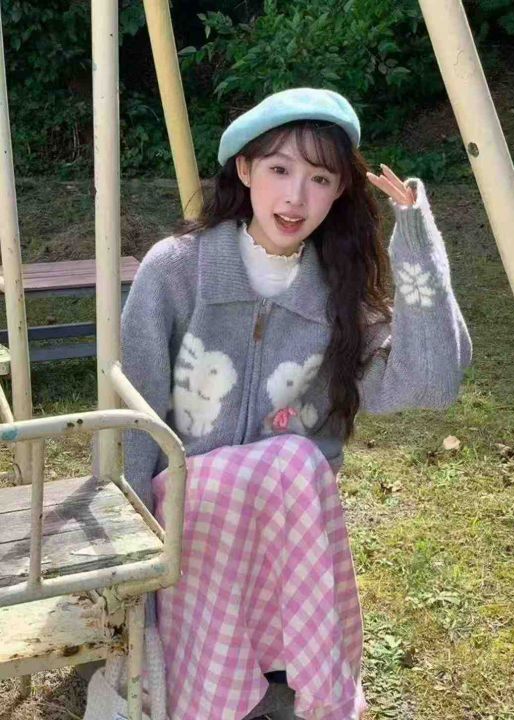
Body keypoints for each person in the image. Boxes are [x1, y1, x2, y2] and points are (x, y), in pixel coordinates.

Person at [121, 87, 472, 720]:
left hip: (289, 527)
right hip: (189, 515)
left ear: (339, 192)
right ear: (244, 170)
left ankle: (288, 683)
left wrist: (415, 238)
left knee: (295, 463)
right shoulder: (176, 270)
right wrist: (130, 569)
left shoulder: (336, 292)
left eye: (320, 179)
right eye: (279, 169)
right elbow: (135, 417)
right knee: (292, 461)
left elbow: (432, 382)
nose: (295, 198)